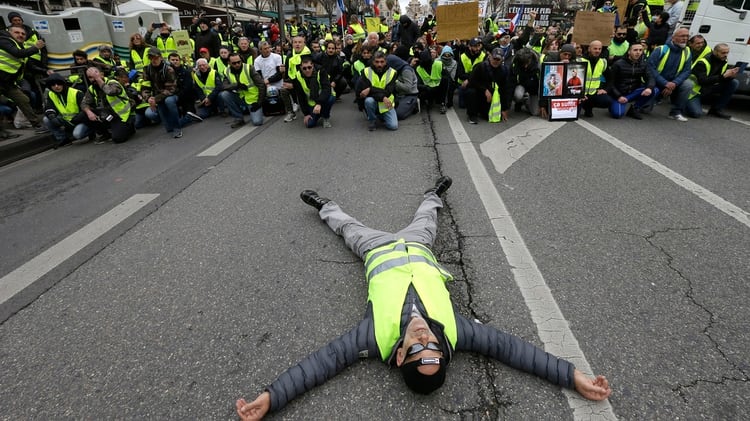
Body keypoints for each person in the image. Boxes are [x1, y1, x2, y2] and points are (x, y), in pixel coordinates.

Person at [235, 177, 613, 420]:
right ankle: (434, 193)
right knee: (428, 218)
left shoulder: (372, 339)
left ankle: (322, 204)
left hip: (378, 251)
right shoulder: (457, 334)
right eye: (432, 348)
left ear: (399, 357)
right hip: (418, 248)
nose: (424, 339)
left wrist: (271, 398)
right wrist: (572, 376)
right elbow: (513, 349)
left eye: (416, 350)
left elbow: (320, 364)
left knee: (346, 226)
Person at [0, 24, 45, 130]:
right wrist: (35, 48)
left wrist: (46, 71)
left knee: (23, 100)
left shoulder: (19, 46)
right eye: (17, 32)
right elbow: (17, 54)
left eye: (23, 34)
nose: (20, 35)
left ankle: (37, 125)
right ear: (9, 32)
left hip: (8, 83)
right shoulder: (3, 40)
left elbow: (29, 65)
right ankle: (2, 133)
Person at [647, 28, 693, 121]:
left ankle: (676, 113)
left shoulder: (687, 51)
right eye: (682, 36)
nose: (685, 38)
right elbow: (650, 68)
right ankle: (654, 99)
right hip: (656, 82)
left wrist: (674, 83)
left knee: (688, 84)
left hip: (673, 83)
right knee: (645, 110)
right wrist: (665, 83)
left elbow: (687, 71)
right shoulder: (660, 49)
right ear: (673, 37)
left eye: (687, 36)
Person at [80, 67, 134, 144]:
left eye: (95, 74)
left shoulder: (113, 82)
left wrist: (99, 80)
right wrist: (89, 112)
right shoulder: (92, 88)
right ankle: (105, 134)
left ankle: (129, 126)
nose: (93, 79)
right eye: (90, 77)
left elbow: (110, 92)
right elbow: (84, 103)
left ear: (102, 74)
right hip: (106, 115)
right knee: (84, 114)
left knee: (118, 138)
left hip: (121, 115)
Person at [685, 43, 740, 119]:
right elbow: (703, 81)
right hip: (695, 92)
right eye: (723, 53)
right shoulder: (702, 62)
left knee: (734, 83)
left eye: (727, 52)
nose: (726, 55)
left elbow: (722, 78)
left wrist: (731, 76)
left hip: (708, 89)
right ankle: (682, 102)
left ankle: (716, 110)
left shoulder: (723, 61)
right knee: (696, 113)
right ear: (715, 52)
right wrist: (723, 76)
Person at [607, 42, 658, 119]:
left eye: (640, 50)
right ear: (629, 52)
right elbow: (610, 83)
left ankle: (634, 108)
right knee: (617, 114)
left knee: (654, 90)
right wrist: (618, 96)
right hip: (619, 94)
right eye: (635, 50)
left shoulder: (643, 64)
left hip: (633, 92)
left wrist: (649, 88)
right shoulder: (618, 64)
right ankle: (614, 104)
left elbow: (650, 77)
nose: (638, 52)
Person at [141, 47, 183, 137]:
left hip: (171, 94)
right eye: (151, 58)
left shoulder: (168, 69)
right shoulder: (147, 69)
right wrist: (148, 98)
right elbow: (145, 86)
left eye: (155, 58)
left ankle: (177, 128)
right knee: (166, 126)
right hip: (157, 97)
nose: (154, 60)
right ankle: (170, 123)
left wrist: (155, 99)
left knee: (169, 101)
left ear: (160, 57)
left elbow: (171, 89)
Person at [465, 48, 512, 124]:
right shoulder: (481, 67)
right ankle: (472, 115)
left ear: (502, 60)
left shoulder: (504, 71)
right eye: (494, 58)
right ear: (490, 56)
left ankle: (482, 110)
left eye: (498, 59)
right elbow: (472, 81)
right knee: (471, 92)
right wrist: (484, 90)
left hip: (491, 97)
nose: (496, 61)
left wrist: (504, 109)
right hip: (479, 92)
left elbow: (504, 90)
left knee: (489, 116)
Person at [220, 52, 266, 128]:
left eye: (239, 62)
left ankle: (258, 109)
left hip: (253, 99)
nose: (237, 64)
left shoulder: (249, 68)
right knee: (224, 94)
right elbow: (224, 86)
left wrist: (259, 102)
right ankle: (239, 118)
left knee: (257, 122)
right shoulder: (226, 71)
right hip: (240, 97)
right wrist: (236, 85)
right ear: (229, 63)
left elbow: (261, 85)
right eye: (234, 63)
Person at [42, 73, 89, 147]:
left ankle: (91, 131)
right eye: (53, 85)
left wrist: (74, 120)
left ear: (63, 84)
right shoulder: (51, 94)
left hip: (80, 120)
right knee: (46, 119)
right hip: (66, 122)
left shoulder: (76, 93)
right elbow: (49, 107)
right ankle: (63, 139)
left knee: (77, 135)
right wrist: (52, 116)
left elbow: (86, 110)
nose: (56, 86)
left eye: (58, 84)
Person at [356, 50, 398, 131]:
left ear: (386, 62)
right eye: (377, 62)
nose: (379, 64)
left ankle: (380, 115)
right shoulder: (366, 71)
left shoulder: (392, 72)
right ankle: (372, 120)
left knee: (393, 126)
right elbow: (365, 92)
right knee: (368, 101)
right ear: (373, 62)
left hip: (386, 104)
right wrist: (382, 97)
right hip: (377, 100)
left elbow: (388, 92)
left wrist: (370, 89)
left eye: (382, 62)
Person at [291, 55, 334, 128]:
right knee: (309, 124)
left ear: (312, 66)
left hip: (323, 98)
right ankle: (319, 113)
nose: (307, 70)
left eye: (309, 67)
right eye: (304, 68)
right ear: (301, 68)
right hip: (311, 102)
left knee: (330, 99)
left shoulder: (321, 71)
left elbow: (326, 89)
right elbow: (300, 96)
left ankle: (325, 117)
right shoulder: (298, 76)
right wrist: (306, 114)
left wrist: (319, 103)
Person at [580, 41, 614, 117]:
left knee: (607, 101)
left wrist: (605, 89)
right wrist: (578, 94)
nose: (597, 51)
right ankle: (583, 106)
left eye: (599, 49)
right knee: (574, 114)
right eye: (595, 48)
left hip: (594, 93)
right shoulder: (580, 61)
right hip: (580, 94)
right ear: (589, 49)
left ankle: (588, 107)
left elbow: (610, 78)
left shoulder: (603, 62)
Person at [386, 53, 420, 120]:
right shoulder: (397, 69)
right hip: (398, 94)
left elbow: (408, 88)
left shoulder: (406, 70)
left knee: (399, 115)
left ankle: (414, 105)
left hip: (409, 95)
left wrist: (395, 81)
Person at [456, 37, 486, 109]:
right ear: (469, 47)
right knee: (463, 106)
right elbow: (460, 75)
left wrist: (469, 79)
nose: (477, 48)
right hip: (463, 84)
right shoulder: (463, 57)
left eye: (478, 46)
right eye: (475, 46)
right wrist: (473, 76)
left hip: (477, 83)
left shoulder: (483, 56)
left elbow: (483, 74)